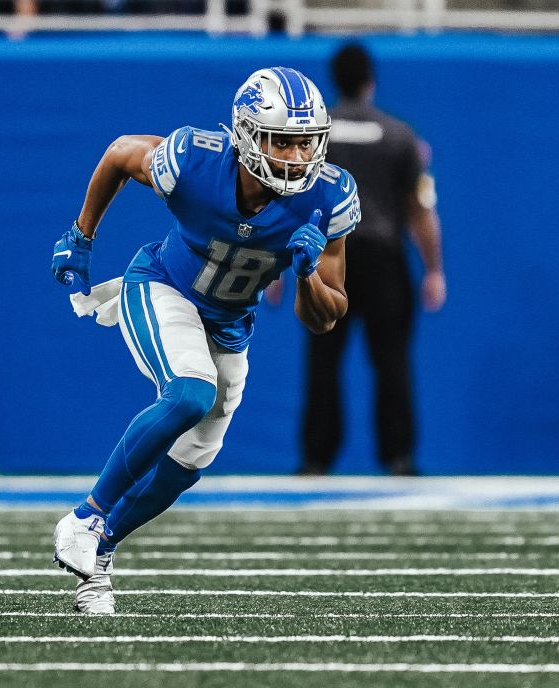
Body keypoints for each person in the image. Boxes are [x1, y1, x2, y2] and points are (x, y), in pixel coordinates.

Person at [49, 67, 361, 614]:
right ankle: (86, 515)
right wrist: (81, 235)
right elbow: (122, 153)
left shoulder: (328, 197)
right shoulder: (196, 161)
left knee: (193, 456)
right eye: (280, 141)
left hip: (230, 321)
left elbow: (325, 318)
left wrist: (308, 274)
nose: (294, 157)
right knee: (190, 392)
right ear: (245, 135)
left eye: (305, 142)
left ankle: (98, 552)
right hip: (165, 287)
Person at [297, 42, 445, 477]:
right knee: (391, 359)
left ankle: (315, 458)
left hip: (327, 261)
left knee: (323, 361)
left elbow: (289, 200)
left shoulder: (314, 137)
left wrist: (276, 271)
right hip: (383, 258)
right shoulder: (400, 135)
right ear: (369, 81)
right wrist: (434, 269)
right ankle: (398, 456)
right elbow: (421, 209)